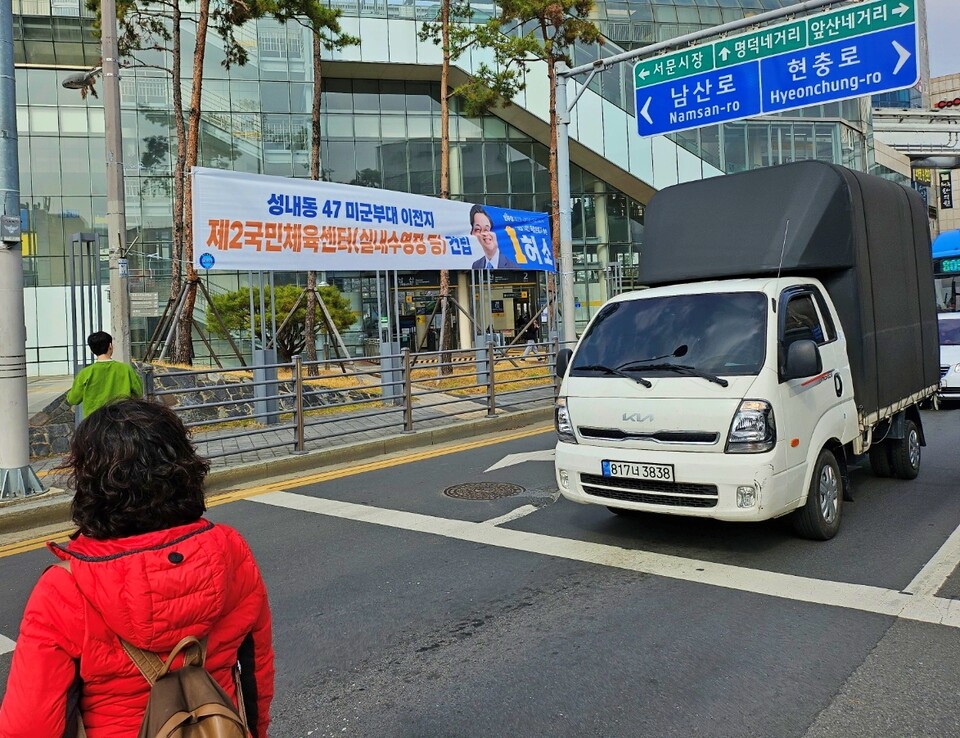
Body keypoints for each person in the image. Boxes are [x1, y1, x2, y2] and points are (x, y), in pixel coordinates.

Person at [0, 400, 275, 738]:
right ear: (185, 468)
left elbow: (31, 726)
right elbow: (254, 673)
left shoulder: (64, 589)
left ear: (89, 483)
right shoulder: (230, 551)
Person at [66, 331, 143, 418]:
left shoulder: (85, 373)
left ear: (92, 350)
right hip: (122, 419)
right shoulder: (126, 369)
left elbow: (73, 399)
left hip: (95, 422)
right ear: (110, 346)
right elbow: (139, 392)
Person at [469, 205, 520, 270]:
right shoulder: (476, 265)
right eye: (478, 229)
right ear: (471, 232)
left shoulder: (512, 267)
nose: (483, 234)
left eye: (486, 230)